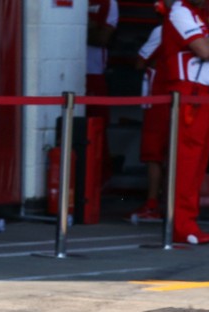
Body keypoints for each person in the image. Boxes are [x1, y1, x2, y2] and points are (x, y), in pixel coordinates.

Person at [155, 0, 209, 245]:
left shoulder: (205, 15)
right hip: (189, 94)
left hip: (205, 95)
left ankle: (187, 221)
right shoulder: (181, 12)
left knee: (197, 163)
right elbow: (206, 51)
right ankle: (181, 224)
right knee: (186, 162)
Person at [132, 22, 166, 223]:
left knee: (154, 154)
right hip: (190, 98)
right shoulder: (205, 26)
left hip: (160, 99)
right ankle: (167, 204)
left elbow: (140, 61)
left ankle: (153, 204)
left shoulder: (163, 29)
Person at [86, 0, 118, 182]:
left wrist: (80, 29)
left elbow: (102, 38)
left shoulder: (108, 2)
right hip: (68, 72)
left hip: (94, 73)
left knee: (98, 128)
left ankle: (101, 177)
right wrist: (90, 27)